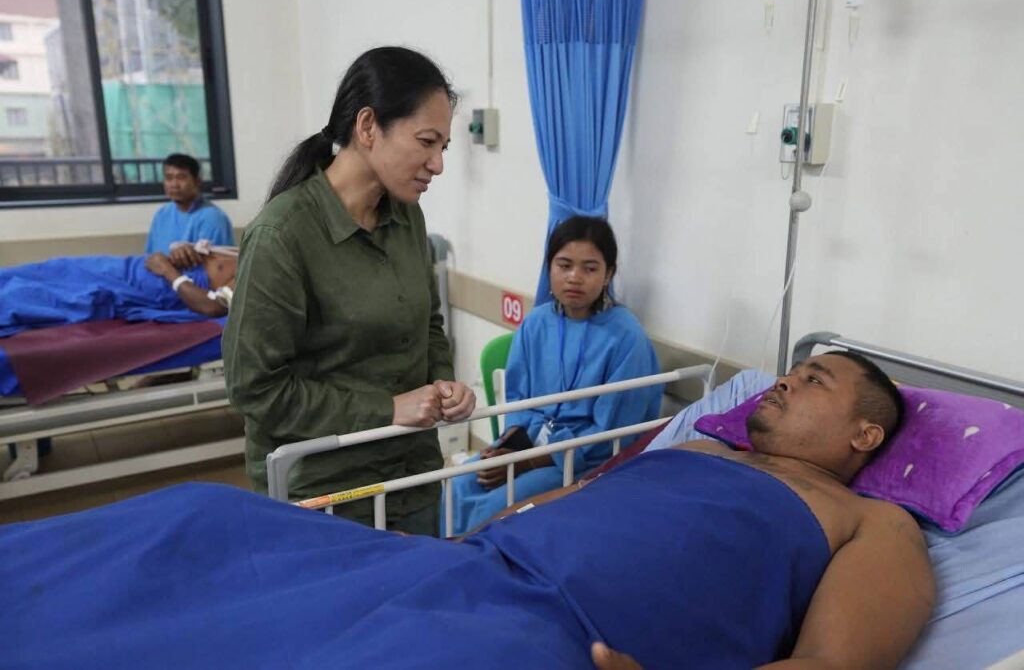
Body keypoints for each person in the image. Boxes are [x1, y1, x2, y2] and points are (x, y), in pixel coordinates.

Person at [0, 351, 934, 669]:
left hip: (558, 633)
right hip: (462, 568)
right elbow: (576, 497)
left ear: (864, 434)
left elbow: (829, 666)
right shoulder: (697, 448)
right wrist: (460, 547)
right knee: (204, 521)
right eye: (788, 372)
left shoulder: (874, 528)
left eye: (813, 380)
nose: (782, 384)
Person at [223, 46, 475, 536]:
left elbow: (428, 324)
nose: (438, 164)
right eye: (427, 142)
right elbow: (256, 388)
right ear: (367, 126)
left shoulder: (407, 217)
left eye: (444, 147)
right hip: (327, 493)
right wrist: (388, 410)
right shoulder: (283, 236)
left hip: (414, 476)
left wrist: (444, 386)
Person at [446, 215, 662, 534]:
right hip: (530, 444)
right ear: (549, 269)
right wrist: (508, 446)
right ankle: (447, 557)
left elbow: (611, 434)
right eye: (564, 265)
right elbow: (518, 399)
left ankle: (476, 563)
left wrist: (529, 462)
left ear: (608, 274)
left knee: (494, 508)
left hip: (585, 459)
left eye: (589, 268)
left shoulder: (626, 338)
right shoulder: (537, 323)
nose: (575, 277)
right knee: (458, 485)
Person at [0, 250, 237, 337]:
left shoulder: (252, 268)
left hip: (146, 289)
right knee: (57, 269)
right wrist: (183, 249)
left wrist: (168, 271)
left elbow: (212, 307)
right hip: (131, 266)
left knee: (55, 295)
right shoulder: (240, 248)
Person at [145, 153, 235, 267]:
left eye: (181, 178)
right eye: (169, 178)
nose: (174, 185)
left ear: (197, 181)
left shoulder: (212, 217)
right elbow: (150, 258)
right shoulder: (162, 214)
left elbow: (215, 269)